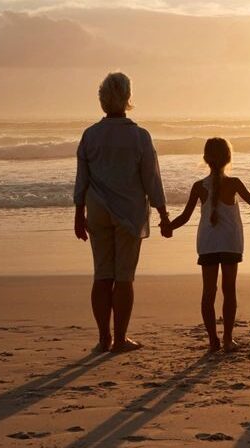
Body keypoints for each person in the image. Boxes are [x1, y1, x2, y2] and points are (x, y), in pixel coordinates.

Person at [73, 72, 169, 354]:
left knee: (102, 274)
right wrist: (163, 214)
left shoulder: (91, 135)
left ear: (102, 100)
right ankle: (120, 338)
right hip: (129, 213)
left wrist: (79, 213)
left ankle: (103, 338)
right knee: (124, 277)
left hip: (98, 210)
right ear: (127, 99)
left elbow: (82, 179)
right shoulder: (139, 136)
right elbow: (151, 180)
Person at [164, 138, 250, 353]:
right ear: (229, 158)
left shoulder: (198, 186)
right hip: (230, 242)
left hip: (208, 243)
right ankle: (228, 338)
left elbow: (183, 217)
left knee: (208, 292)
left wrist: (168, 226)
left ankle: (213, 340)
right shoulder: (235, 183)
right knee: (229, 290)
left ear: (205, 159)